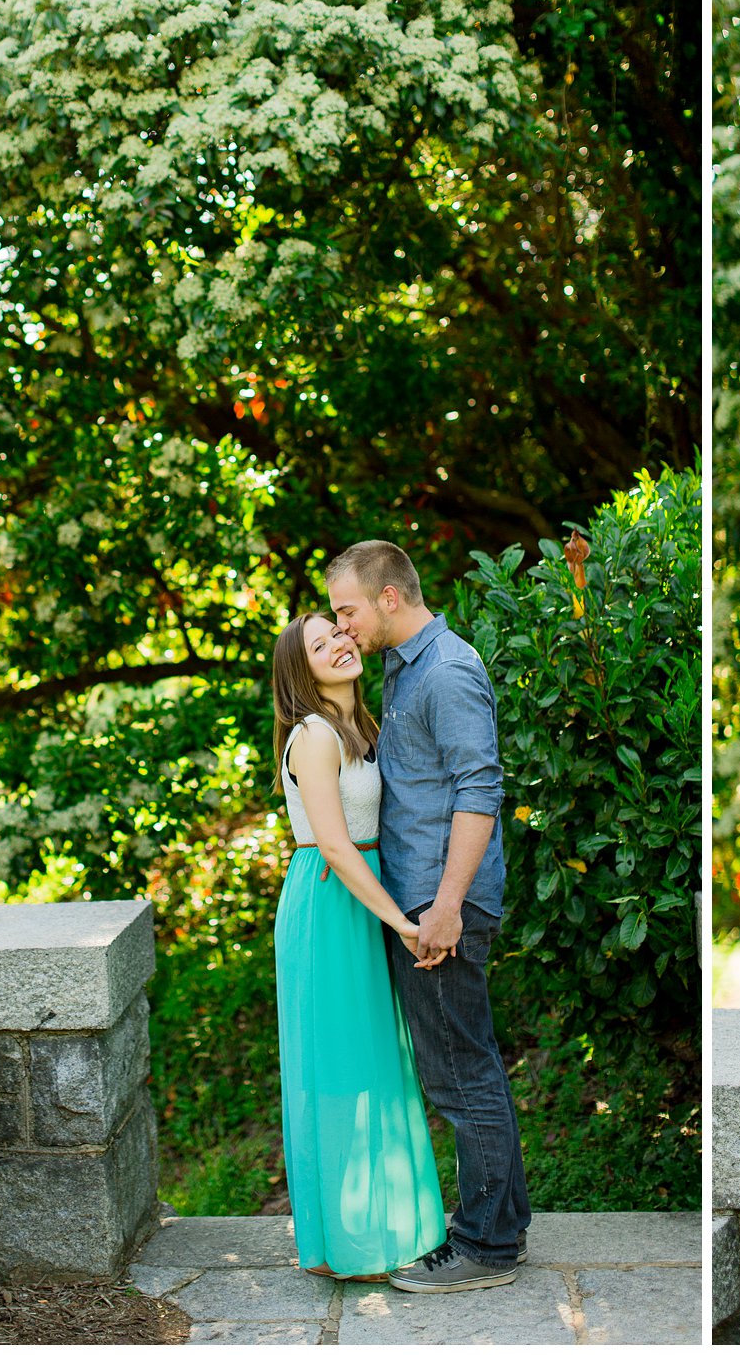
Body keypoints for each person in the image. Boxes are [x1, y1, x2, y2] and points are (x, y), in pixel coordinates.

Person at [327, 539, 532, 1293]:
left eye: (347, 609)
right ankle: (501, 1227)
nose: (342, 626)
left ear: (387, 597)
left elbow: (480, 789)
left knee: (457, 1073)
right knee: (466, 1061)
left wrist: (444, 907)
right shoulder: (403, 665)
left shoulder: (447, 670)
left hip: (440, 904)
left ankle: (483, 1245)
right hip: (422, 896)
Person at [269, 612, 446, 1282]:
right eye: (319, 645)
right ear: (300, 670)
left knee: (379, 1059)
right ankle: (348, 1241)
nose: (339, 643)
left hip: (364, 892)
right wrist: (403, 922)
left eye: (338, 632)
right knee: (343, 1068)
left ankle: (384, 1226)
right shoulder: (313, 735)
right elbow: (337, 844)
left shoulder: (362, 728)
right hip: (333, 900)